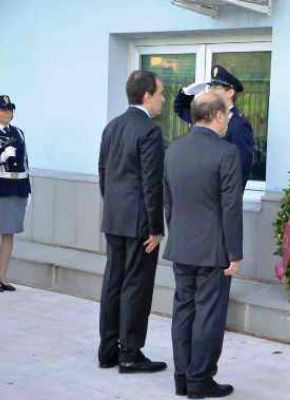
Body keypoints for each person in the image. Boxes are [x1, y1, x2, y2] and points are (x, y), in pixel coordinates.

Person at [164, 91, 243, 398]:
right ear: (217, 116)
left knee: (184, 310)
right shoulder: (226, 153)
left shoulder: (174, 149)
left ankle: (182, 377)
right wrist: (234, 253)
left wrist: (178, 233)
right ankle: (200, 380)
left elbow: (168, 202)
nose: (229, 120)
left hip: (182, 245)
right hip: (213, 250)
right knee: (208, 315)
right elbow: (231, 208)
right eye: (227, 114)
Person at [97, 70, 167, 373]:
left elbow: (103, 174)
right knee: (136, 287)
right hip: (139, 222)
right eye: (161, 93)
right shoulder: (149, 131)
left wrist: (113, 207)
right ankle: (130, 353)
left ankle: (108, 350)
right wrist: (155, 227)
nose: (163, 99)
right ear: (146, 95)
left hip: (114, 217)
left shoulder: (112, 127)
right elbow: (152, 183)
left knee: (113, 283)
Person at [174, 64, 254, 189]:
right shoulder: (207, 116)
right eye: (210, 86)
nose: (211, 91)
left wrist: (230, 198)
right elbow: (180, 109)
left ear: (230, 92)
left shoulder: (239, 124)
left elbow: (241, 166)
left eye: (216, 87)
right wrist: (187, 92)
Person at [0, 95, 30, 293]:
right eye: (3, 109)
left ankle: (3, 275)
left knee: (9, 234)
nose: (8, 112)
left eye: (10, 109)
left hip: (17, 189)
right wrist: (0, 157)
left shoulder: (19, 133)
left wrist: (28, 190)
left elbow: (25, 163)